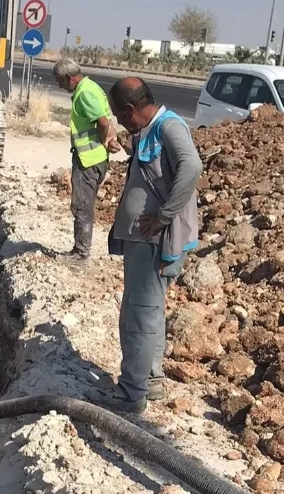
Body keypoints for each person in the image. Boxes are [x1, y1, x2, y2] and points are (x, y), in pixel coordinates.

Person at [103, 76, 201, 413]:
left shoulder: (170, 127)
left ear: (131, 109)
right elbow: (156, 169)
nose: (117, 120)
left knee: (139, 315)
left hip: (153, 241)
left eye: (118, 114)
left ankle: (131, 393)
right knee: (150, 311)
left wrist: (163, 215)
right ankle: (151, 379)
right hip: (143, 240)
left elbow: (192, 167)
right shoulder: (151, 130)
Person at [53, 58, 119, 262]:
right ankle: (80, 250)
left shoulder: (84, 93)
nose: (60, 86)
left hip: (89, 160)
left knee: (82, 206)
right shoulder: (92, 87)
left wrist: (103, 138)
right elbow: (107, 119)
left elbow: (102, 122)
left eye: (60, 81)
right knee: (84, 206)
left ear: (68, 78)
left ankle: (81, 254)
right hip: (96, 158)